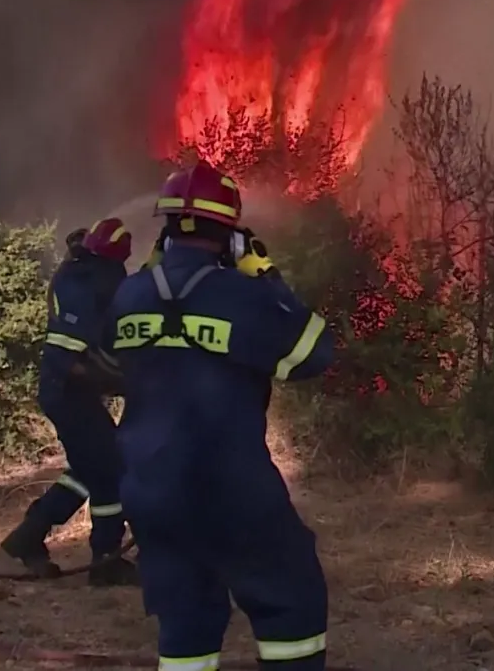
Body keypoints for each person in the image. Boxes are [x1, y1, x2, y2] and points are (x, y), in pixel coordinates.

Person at [105, 165, 336, 670]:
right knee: (291, 602)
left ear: (165, 231)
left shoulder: (128, 295)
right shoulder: (245, 296)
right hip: (231, 488)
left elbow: (109, 363)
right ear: (231, 237)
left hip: (152, 491)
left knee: (186, 622)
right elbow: (314, 354)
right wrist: (266, 276)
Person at [1, 217, 140, 587]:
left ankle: (29, 536)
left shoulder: (83, 273)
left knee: (89, 469)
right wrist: (122, 382)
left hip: (70, 393)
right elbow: (71, 360)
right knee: (109, 471)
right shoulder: (86, 283)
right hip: (66, 393)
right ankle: (104, 560)